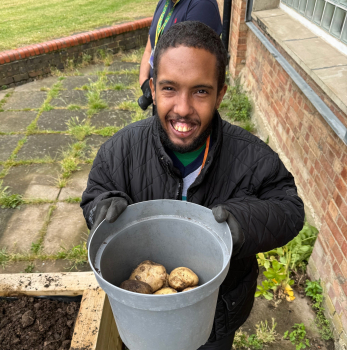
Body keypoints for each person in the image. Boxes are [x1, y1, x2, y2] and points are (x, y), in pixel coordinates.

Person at [81, 22, 305, 350]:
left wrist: (243, 223)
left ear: (220, 93)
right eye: (170, 88)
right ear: (153, 88)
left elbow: (289, 208)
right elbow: (97, 192)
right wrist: (102, 205)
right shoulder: (121, 150)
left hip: (218, 316)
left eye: (200, 91)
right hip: (144, 317)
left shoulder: (251, 155)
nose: (183, 109)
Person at [138, 0, 222, 111]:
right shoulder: (164, 3)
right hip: (162, 92)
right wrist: (144, 82)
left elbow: (193, 68)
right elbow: (150, 48)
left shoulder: (201, 5)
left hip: (180, 105)